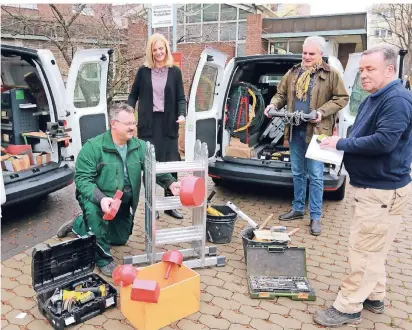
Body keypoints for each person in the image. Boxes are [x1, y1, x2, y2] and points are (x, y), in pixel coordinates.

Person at [314, 45, 412, 327]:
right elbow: (365, 132)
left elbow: (384, 142)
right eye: (362, 70)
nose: (364, 76)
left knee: (364, 251)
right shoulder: (376, 96)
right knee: (373, 247)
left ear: (390, 70)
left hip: (381, 192)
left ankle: (348, 307)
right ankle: (374, 296)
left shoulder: (397, 100)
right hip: (371, 188)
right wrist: (338, 139)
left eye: (371, 70)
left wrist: (341, 144)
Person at [57, 103, 181, 277]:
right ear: (113, 124)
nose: (132, 127)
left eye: (134, 123)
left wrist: (170, 182)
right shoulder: (93, 147)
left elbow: (154, 168)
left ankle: (79, 223)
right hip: (96, 197)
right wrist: (101, 199)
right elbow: (82, 180)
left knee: (119, 239)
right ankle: (103, 259)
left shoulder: (140, 146)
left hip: (123, 200)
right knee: (95, 217)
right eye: (128, 123)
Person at [264, 36, 348, 236]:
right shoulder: (293, 73)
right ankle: (298, 208)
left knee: (316, 176)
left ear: (320, 54)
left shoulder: (330, 74)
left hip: (318, 133)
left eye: (312, 53)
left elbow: (341, 98)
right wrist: (273, 105)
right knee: (298, 173)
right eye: (305, 53)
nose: (307, 57)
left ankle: (316, 216)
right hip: (295, 130)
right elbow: (281, 94)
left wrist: (321, 112)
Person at [128, 33, 186, 220]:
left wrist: (182, 114)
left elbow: (180, 98)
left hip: (169, 124)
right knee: (150, 164)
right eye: (155, 50)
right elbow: (133, 95)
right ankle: (152, 207)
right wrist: (129, 114)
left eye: (161, 49)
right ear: (150, 52)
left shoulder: (174, 72)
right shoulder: (143, 72)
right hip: (149, 124)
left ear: (166, 49)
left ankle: (170, 205)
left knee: (171, 163)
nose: (159, 52)